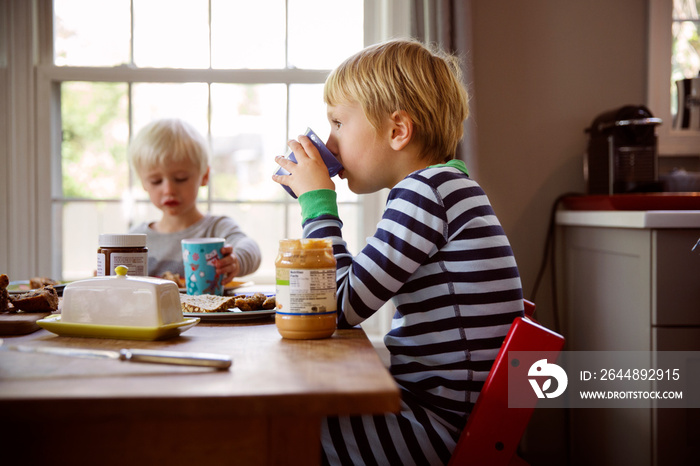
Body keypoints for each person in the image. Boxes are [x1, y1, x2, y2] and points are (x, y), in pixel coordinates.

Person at [272, 39, 524, 465]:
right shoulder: (445, 188)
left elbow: (335, 306)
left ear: (397, 131)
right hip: (439, 415)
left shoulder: (427, 194)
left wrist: (317, 202)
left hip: (435, 429)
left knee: (274, 427)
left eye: (338, 123)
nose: (330, 145)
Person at [128, 118, 261, 283]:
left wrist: (236, 260)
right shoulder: (135, 240)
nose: (169, 190)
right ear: (143, 183)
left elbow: (251, 249)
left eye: (180, 178)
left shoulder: (217, 229)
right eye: (156, 181)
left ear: (204, 176)